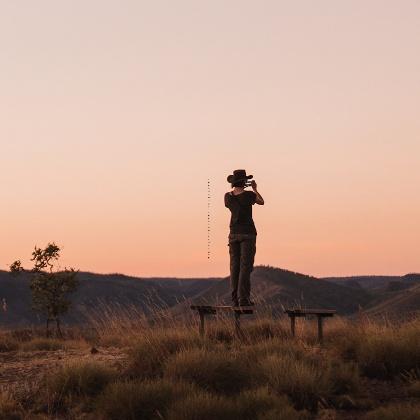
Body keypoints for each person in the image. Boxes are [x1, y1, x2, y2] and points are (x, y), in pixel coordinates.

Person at [224, 169, 264, 307]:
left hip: (233, 234)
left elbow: (233, 202)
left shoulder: (228, 197)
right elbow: (261, 201)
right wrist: (255, 189)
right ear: (244, 182)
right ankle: (243, 299)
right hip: (248, 233)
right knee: (245, 267)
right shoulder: (249, 195)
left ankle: (235, 299)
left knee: (234, 267)